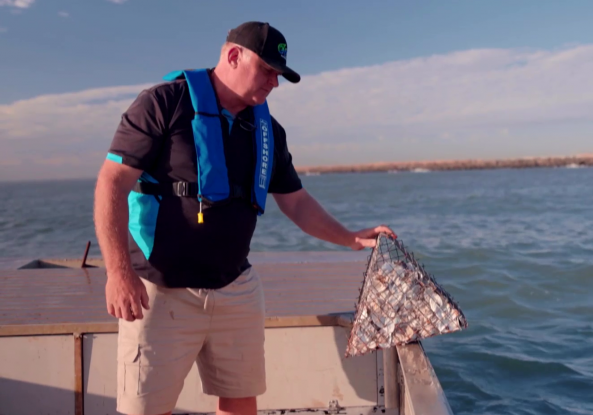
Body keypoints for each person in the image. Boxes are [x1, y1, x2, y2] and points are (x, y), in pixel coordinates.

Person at [93, 21, 396, 415]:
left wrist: (350, 238)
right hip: (160, 291)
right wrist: (118, 273)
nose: (274, 83)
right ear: (233, 56)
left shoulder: (268, 130)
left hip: (237, 289)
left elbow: (296, 202)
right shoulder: (163, 104)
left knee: (240, 403)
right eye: (267, 70)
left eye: (279, 75)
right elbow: (111, 184)